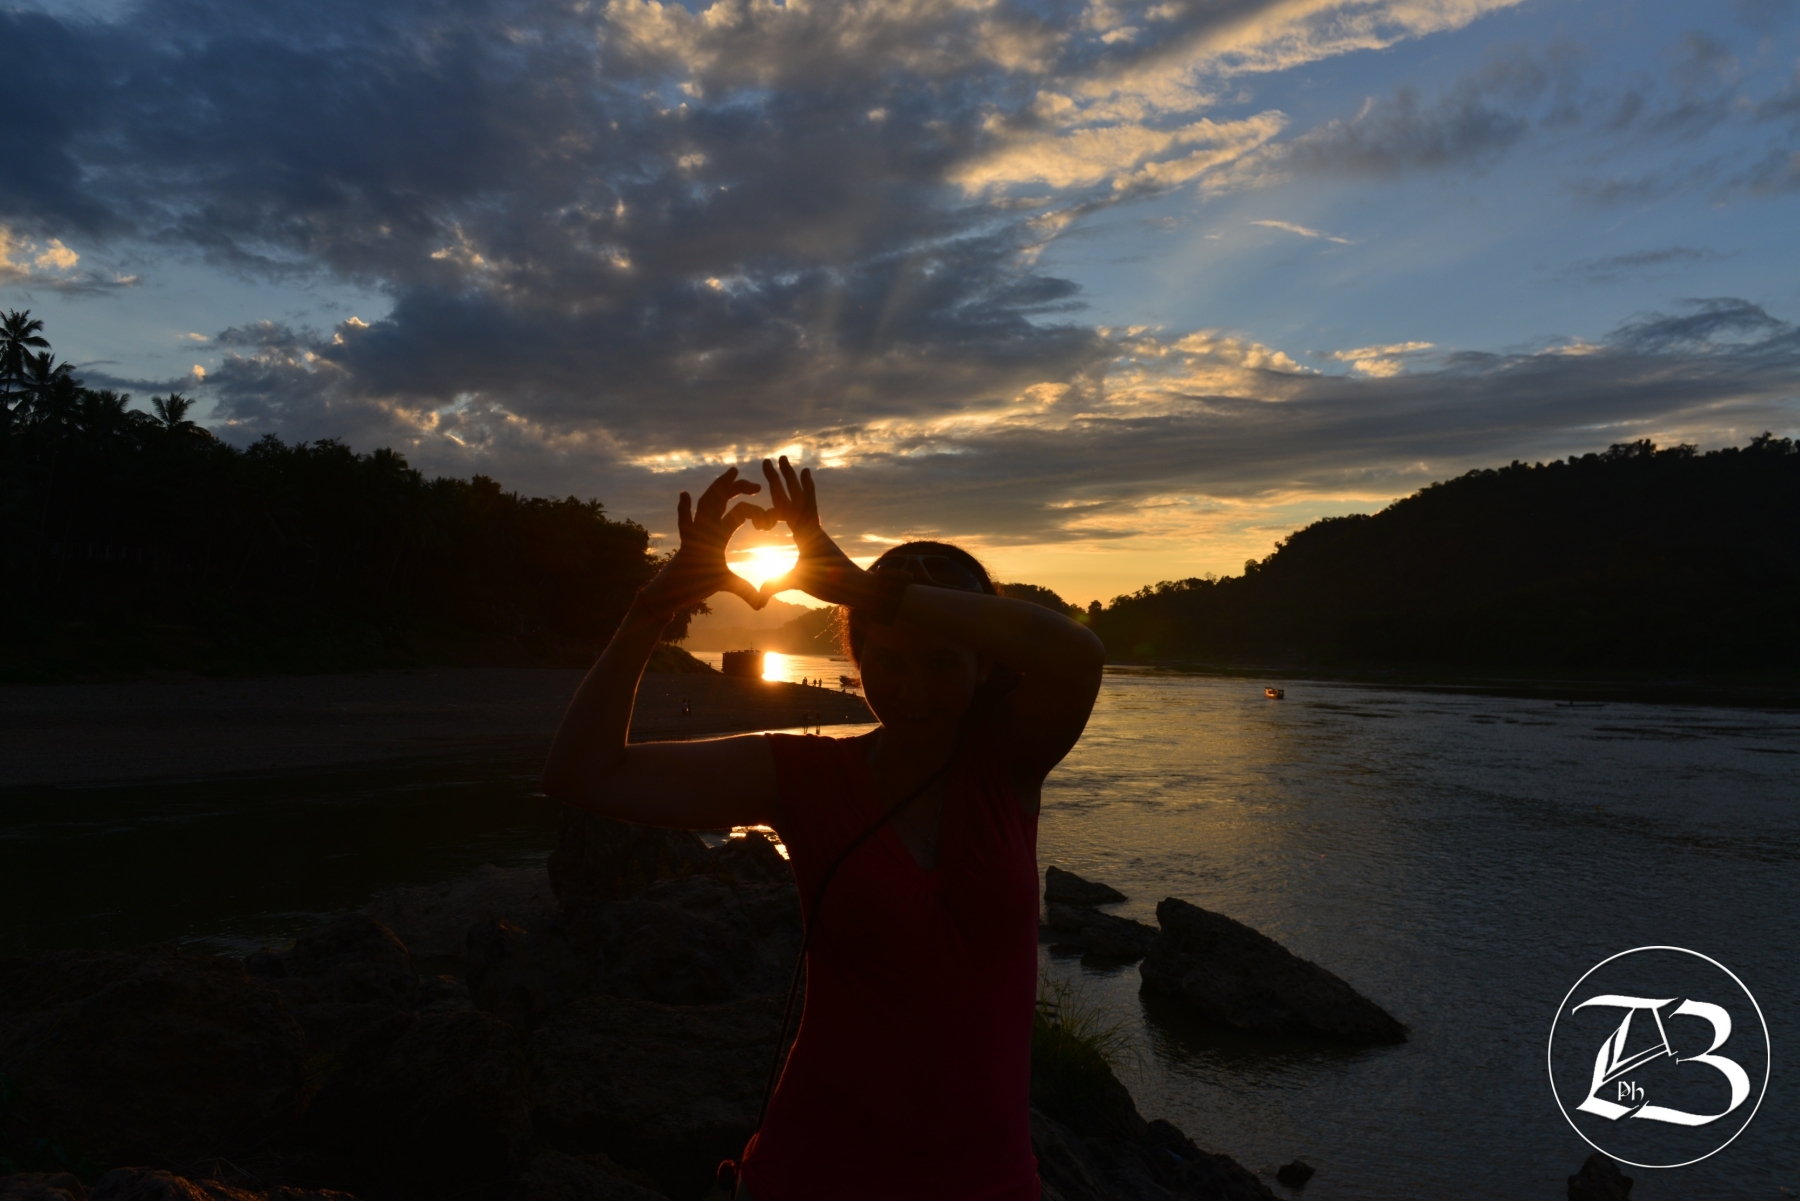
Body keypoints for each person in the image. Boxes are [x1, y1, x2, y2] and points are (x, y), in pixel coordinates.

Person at [541, 457, 1105, 1201]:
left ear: (986, 670)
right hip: (814, 1172)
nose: (912, 691)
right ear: (857, 656)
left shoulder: (1010, 765)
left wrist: (865, 588)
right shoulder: (802, 776)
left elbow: (1076, 655)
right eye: (888, 660)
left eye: (942, 664)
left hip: (988, 1182)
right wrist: (654, 606)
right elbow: (583, 773)